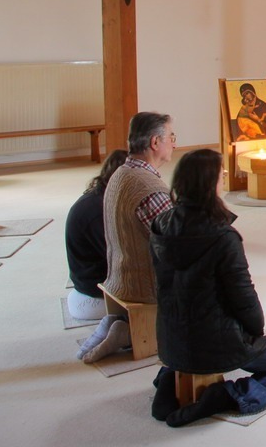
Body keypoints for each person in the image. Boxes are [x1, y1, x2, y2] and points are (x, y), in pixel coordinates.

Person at [147, 149, 266, 426]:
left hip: (170, 341)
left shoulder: (160, 225)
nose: (224, 177)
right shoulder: (222, 237)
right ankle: (227, 396)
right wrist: (257, 332)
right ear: (208, 184)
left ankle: (170, 379)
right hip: (217, 343)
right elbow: (243, 296)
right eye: (220, 174)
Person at [79, 112, 176, 363]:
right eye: (171, 137)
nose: (174, 144)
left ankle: (115, 324)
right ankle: (129, 333)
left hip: (117, 278)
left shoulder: (120, 173)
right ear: (155, 142)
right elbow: (174, 245)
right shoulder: (149, 188)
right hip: (143, 288)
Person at [64, 150, 128, 320]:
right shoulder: (98, 211)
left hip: (89, 280)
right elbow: (120, 258)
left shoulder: (101, 197)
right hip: (94, 290)